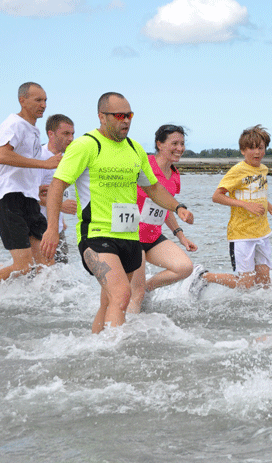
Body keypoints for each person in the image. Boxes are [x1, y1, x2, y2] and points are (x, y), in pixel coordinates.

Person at [40, 92, 194, 333]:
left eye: (129, 115)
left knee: (109, 302)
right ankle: (113, 355)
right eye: (120, 115)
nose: (126, 121)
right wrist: (51, 228)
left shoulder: (135, 149)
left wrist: (178, 207)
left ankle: (95, 348)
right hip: (96, 236)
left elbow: (153, 188)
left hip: (130, 237)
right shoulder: (86, 145)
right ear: (102, 116)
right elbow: (58, 185)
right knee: (123, 295)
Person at [0, 82, 61, 291]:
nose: (43, 105)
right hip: (7, 199)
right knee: (23, 266)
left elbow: (23, 168)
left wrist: (37, 188)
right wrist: (45, 164)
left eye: (45, 100)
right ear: (22, 100)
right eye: (38, 100)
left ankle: (37, 306)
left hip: (28, 200)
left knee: (47, 263)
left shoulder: (33, 129)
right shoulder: (14, 123)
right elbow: (3, 155)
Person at [196, 125, 272, 291]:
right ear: (242, 150)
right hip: (241, 235)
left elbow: (254, 192)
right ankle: (204, 276)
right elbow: (217, 196)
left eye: (260, 148)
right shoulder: (237, 170)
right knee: (246, 285)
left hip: (262, 232)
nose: (257, 152)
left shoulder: (263, 169)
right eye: (252, 148)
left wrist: (268, 206)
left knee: (264, 284)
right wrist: (246, 205)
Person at [126, 125, 197, 313]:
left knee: (184, 267)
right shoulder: (144, 164)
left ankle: (148, 287)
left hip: (153, 237)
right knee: (135, 294)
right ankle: (127, 335)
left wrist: (180, 235)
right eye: (174, 143)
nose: (179, 148)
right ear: (159, 144)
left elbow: (166, 207)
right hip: (130, 235)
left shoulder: (174, 175)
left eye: (182, 144)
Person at [38, 114, 77, 264]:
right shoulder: (41, 158)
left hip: (57, 228)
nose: (71, 138)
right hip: (40, 228)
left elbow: (57, 192)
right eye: (66, 133)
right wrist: (61, 206)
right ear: (51, 134)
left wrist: (62, 219)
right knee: (37, 275)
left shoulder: (67, 160)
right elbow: (29, 196)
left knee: (58, 278)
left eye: (72, 134)